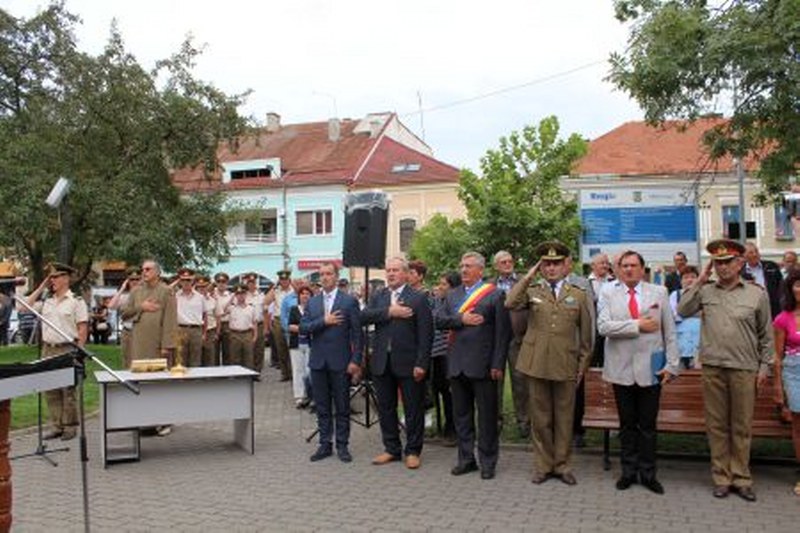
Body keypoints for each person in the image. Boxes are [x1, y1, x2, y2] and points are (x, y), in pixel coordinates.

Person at [678, 239, 774, 502]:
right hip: (713, 368)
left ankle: (741, 478)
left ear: (740, 263)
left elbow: (766, 336)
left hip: (744, 368)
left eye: (728, 262)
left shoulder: (756, 294)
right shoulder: (706, 291)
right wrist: (700, 279)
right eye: (718, 263)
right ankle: (721, 477)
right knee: (717, 426)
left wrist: (765, 367)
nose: (723, 267)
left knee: (741, 426)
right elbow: (683, 309)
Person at [506, 242, 593, 485]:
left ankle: (562, 466)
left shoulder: (578, 294)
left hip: (566, 364)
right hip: (537, 364)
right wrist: (529, 275)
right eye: (546, 264)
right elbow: (510, 302)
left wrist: (582, 367)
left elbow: (586, 337)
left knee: (564, 419)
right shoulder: (532, 290)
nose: (551, 268)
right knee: (540, 418)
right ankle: (543, 466)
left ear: (566, 266)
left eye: (556, 263)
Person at [598, 250, 680, 495]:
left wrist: (672, 364)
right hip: (620, 368)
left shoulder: (659, 292)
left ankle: (648, 474)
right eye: (624, 266)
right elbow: (604, 327)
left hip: (651, 369)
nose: (629, 269)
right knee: (627, 425)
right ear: (618, 269)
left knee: (647, 426)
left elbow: (669, 331)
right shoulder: (608, 292)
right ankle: (628, 472)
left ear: (643, 269)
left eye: (633, 265)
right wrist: (637, 325)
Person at [435, 251, 510, 480]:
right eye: (462, 266)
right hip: (457, 364)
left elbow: (502, 333)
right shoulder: (452, 295)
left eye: (468, 266)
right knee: (462, 416)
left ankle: (488, 461)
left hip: (483, 365)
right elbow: (439, 321)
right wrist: (461, 319)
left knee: (487, 417)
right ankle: (466, 459)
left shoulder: (494, 294)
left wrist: (498, 363)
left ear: (480, 270)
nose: (464, 270)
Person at [361, 257, 433, 470]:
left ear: (405, 273)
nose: (391, 274)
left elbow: (426, 334)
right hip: (382, 362)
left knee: (413, 408)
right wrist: (389, 312)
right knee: (385, 408)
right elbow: (363, 317)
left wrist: (422, 363)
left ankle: (413, 451)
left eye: (395, 270)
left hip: (409, 363)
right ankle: (392, 448)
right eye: (388, 270)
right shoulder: (379, 296)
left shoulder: (418, 298)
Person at [300, 262, 363, 463]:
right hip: (318, 362)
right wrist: (324, 322)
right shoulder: (313, 302)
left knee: (342, 406)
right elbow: (304, 327)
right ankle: (325, 444)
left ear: (336, 276)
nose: (325, 277)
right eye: (322, 274)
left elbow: (357, 334)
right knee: (322, 406)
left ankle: (342, 445)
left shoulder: (349, 301)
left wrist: (356, 360)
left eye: (328, 274)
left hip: (341, 362)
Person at [25, 263, 88, 441]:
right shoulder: (47, 301)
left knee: (67, 390)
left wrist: (79, 351)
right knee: (50, 388)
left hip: (67, 348)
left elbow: (82, 328)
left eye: (55, 277)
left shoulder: (76, 301)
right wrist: (41, 287)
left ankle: (70, 426)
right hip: (48, 348)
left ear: (66, 278)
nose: (52, 280)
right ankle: (56, 425)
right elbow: (23, 307)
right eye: (50, 277)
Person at [491, 250, 529, 440]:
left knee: (521, 380)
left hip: (518, 337)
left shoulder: (524, 281)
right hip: (495, 339)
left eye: (510, 261)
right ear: (496, 266)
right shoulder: (489, 285)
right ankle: (495, 421)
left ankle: (524, 422)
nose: (508, 264)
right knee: (495, 381)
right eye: (503, 262)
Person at [772, 268, 800, 496]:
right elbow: (777, 356)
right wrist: (778, 388)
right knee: (798, 426)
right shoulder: (783, 318)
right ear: (791, 289)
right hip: (793, 372)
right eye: (797, 284)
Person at [121, 259, 177, 366]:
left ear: (157, 272)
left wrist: (167, 345)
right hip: (138, 340)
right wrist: (141, 307)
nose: (144, 272)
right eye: (143, 270)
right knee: (139, 369)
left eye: (148, 269)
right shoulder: (135, 291)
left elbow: (170, 320)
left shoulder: (166, 291)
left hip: (157, 340)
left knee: (158, 370)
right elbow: (125, 315)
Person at [430, 272, 460, 443]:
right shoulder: (436, 301)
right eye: (439, 283)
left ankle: (452, 429)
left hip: (448, 353)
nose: (439, 287)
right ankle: (440, 426)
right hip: (434, 353)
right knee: (438, 390)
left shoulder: (456, 303)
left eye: (444, 284)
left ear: (453, 287)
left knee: (450, 394)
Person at [108, 267, 141, 368]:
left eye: (137, 279)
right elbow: (111, 306)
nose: (134, 282)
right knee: (127, 361)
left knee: (142, 360)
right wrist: (122, 288)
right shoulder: (124, 297)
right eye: (132, 279)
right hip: (128, 331)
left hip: (141, 331)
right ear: (128, 281)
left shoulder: (146, 294)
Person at [669, 265, 701, 368]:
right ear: (681, 281)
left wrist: (683, 313)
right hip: (680, 341)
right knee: (679, 372)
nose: (689, 280)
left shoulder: (703, 294)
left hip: (700, 342)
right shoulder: (675, 295)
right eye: (686, 277)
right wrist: (695, 314)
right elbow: (672, 316)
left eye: (693, 277)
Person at [265, 270, 294, 381]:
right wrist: (273, 288)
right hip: (278, 320)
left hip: (291, 319)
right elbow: (266, 301)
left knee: (292, 347)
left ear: (289, 280)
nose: (284, 282)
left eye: (286, 279)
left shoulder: (293, 290)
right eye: (282, 280)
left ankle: (293, 372)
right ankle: (284, 373)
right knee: (281, 347)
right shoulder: (276, 291)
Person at [287, 285, 313, 408]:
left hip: (311, 344)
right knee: (298, 370)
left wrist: (304, 328)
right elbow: (290, 326)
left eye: (307, 293)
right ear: (299, 296)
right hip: (296, 344)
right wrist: (305, 329)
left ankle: (311, 395)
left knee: (309, 371)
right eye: (302, 294)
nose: (305, 296)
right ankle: (299, 396)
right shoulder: (294, 309)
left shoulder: (314, 309)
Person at [174, 268, 205, 367]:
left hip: (196, 330)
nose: (186, 282)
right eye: (183, 280)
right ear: (180, 281)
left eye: (188, 280)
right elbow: (165, 291)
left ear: (193, 281)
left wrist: (204, 333)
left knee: (196, 359)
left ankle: (195, 377)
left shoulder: (200, 297)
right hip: (181, 329)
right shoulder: (175, 296)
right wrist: (176, 282)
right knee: (181, 359)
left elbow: (204, 315)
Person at [743, 241, 782, 318]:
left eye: (756, 251)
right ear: (744, 255)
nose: (755, 254)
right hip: (751, 310)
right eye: (751, 253)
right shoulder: (740, 271)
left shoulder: (771, 266)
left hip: (773, 308)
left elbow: (781, 286)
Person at [226, 284, 257, 369]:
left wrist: (255, 336)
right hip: (235, 334)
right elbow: (223, 310)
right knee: (235, 358)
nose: (240, 296)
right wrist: (232, 297)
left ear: (246, 294)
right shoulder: (232, 308)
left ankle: (248, 375)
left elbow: (254, 323)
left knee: (248, 358)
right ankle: (235, 375)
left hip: (247, 334)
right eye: (238, 294)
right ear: (236, 295)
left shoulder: (251, 308)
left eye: (243, 293)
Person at [243, 273, 267, 375]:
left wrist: (266, 328)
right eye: (249, 282)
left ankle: (257, 372)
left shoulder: (261, 295)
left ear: (256, 283)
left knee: (259, 349)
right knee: (248, 350)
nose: (251, 285)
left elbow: (265, 312)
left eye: (253, 282)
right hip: (248, 326)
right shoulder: (243, 295)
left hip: (259, 324)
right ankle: (248, 371)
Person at [195, 275, 218, 366]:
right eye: (199, 286)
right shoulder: (191, 299)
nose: (201, 288)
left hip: (210, 331)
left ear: (207, 286)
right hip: (196, 330)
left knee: (209, 357)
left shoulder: (213, 300)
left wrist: (217, 332)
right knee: (196, 356)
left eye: (204, 286)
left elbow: (217, 317)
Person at [213, 272, 233, 365]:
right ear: (215, 282)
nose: (221, 283)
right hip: (214, 325)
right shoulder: (211, 295)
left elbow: (231, 310)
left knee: (227, 351)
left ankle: (227, 370)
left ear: (227, 282)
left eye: (223, 281)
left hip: (226, 324)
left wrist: (220, 313)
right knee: (214, 352)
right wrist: (222, 313)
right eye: (219, 281)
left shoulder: (231, 296)